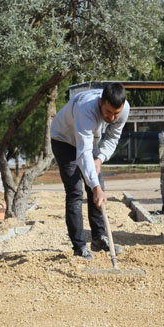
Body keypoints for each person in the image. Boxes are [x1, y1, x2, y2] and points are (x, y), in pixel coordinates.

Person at [49, 82, 130, 259]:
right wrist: (95, 188)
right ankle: (79, 247)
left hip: (88, 140)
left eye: (116, 113)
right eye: (108, 112)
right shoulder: (85, 110)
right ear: (101, 102)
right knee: (76, 191)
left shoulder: (123, 110)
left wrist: (100, 159)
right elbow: (83, 153)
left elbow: (112, 137)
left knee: (98, 185)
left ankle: (99, 238)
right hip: (63, 140)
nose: (112, 117)